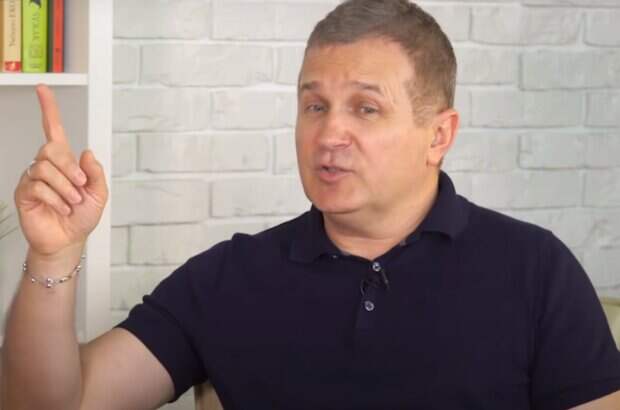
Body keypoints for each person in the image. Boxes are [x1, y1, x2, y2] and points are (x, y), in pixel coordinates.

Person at [2, 0, 620, 408]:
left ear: (439, 135)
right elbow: (55, 405)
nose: (329, 134)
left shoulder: (534, 269)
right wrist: (54, 255)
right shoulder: (230, 277)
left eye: (366, 108)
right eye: (314, 106)